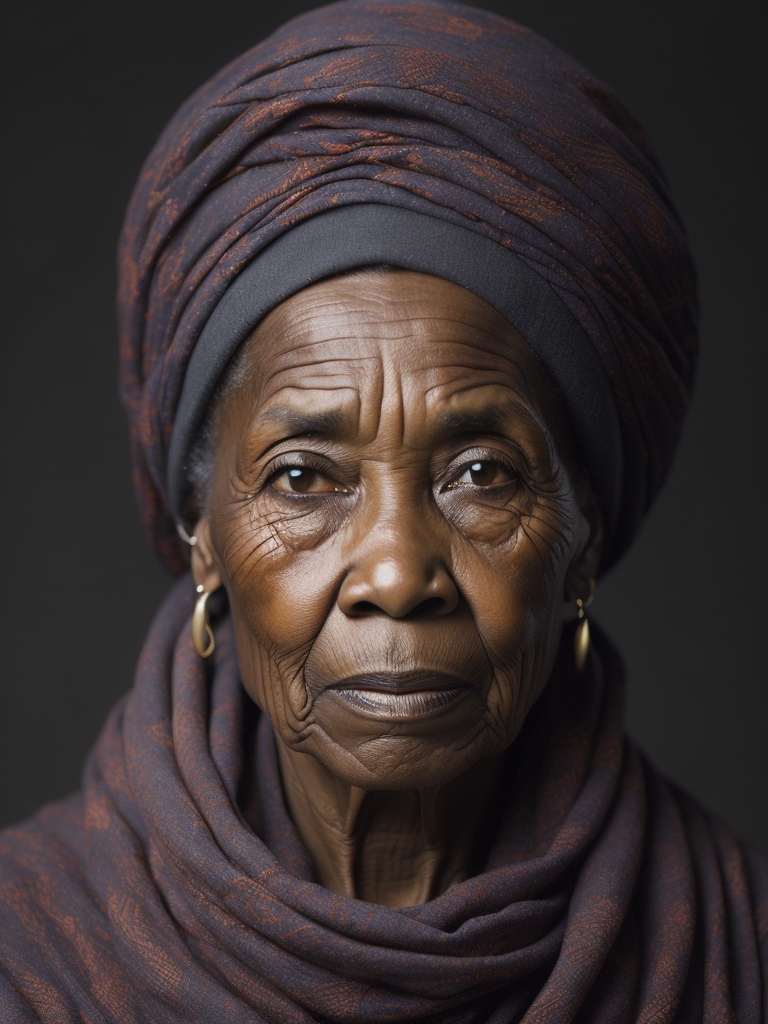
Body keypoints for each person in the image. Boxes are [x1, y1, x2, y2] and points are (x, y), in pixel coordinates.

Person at [1, 1, 765, 1020]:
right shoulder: (28, 957)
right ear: (203, 540)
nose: (399, 573)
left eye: (484, 474)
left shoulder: (742, 946)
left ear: (581, 541)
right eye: (304, 478)